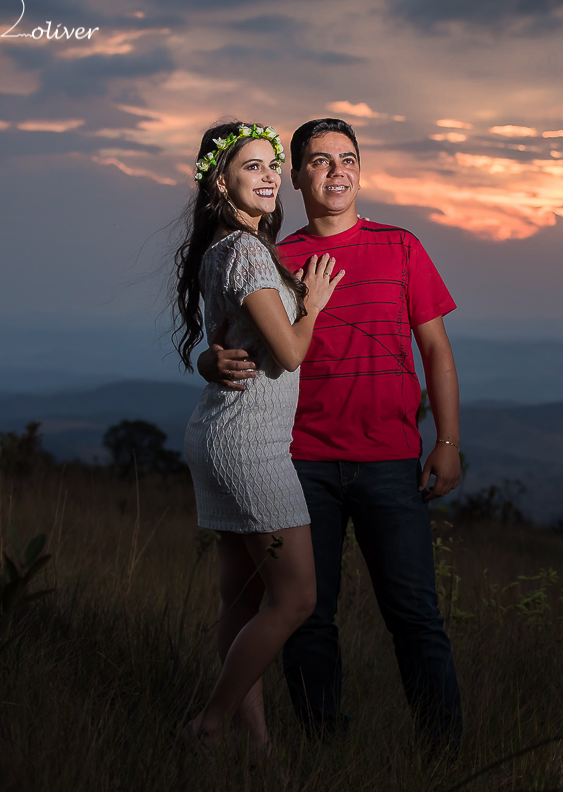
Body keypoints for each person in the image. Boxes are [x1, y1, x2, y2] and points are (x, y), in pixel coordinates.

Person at [198, 117, 464, 746]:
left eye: (348, 159)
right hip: (299, 461)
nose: (336, 171)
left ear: (360, 170)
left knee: (414, 616)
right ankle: (324, 749)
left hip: (390, 459)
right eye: (319, 161)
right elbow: (229, 340)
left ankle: (444, 752)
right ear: (296, 176)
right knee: (309, 618)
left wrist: (447, 442)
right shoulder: (274, 255)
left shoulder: (401, 247)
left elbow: (436, 351)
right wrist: (208, 360)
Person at [172, 120, 345, 754]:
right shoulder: (244, 251)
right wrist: (314, 303)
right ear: (222, 182)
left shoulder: (223, 249)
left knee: (241, 599)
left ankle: (257, 742)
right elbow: (291, 353)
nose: (271, 175)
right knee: (296, 595)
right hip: (248, 445)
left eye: (274, 165)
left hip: (219, 432)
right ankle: (209, 724)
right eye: (253, 166)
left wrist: (208, 359)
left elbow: (230, 343)